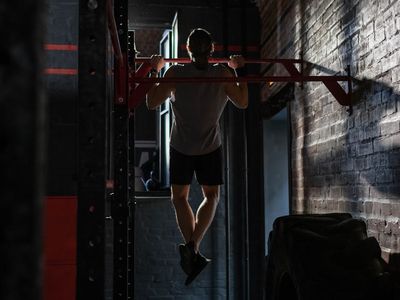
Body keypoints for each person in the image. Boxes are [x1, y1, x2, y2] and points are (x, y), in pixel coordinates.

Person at [146, 28, 248, 285]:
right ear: (211, 50)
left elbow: (150, 102)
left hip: (181, 146)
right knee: (211, 196)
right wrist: (238, 69)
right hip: (209, 147)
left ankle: (192, 248)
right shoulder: (223, 73)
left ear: (188, 50)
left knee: (179, 198)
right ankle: (192, 247)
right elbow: (243, 102)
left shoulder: (175, 73)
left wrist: (154, 69)